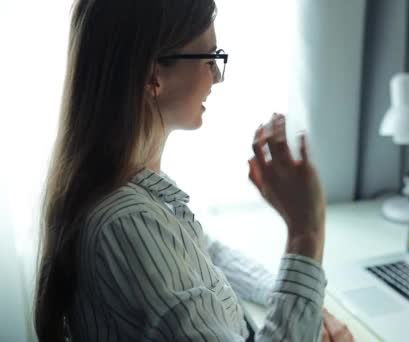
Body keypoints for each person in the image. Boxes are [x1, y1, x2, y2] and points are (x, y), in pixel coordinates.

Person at [33, 1, 353, 341]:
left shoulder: (129, 188)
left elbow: (207, 252)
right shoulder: (126, 224)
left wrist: (299, 300)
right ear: (153, 76)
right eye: (209, 58)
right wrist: (307, 232)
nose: (217, 76)